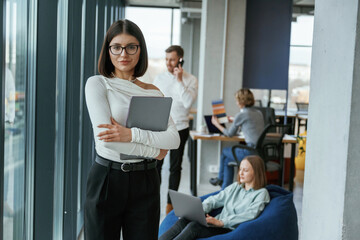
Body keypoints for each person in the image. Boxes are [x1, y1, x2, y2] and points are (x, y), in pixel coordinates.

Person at [84, 19, 180, 240]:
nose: (123, 54)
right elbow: (108, 140)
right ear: (108, 50)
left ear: (140, 50)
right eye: (116, 47)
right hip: (108, 178)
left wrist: (130, 134)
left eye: (131, 47)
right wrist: (155, 151)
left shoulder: (153, 91)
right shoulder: (98, 84)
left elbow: (173, 139)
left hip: (146, 180)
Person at [159, 155, 270, 240]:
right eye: (240, 169)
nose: (240, 173)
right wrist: (198, 210)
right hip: (216, 224)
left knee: (194, 227)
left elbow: (249, 215)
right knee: (185, 220)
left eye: (245, 170)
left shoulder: (261, 193)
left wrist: (221, 222)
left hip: (229, 229)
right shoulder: (236, 187)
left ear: (256, 173)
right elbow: (215, 200)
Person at [153, 45, 198, 214]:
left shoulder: (191, 79)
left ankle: (170, 205)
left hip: (181, 127)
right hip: (160, 127)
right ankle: (154, 200)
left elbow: (187, 103)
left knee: (175, 167)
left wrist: (179, 81)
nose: (168, 63)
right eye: (166, 59)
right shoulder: (159, 79)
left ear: (180, 59)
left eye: (171, 59)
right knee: (156, 165)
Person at [210, 89, 264, 189]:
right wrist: (235, 120)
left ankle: (220, 179)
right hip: (259, 151)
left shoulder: (242, 115)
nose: (236, 102)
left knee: (225, 151)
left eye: (237, 100)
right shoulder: (258, 113)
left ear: (241, 101)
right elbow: (250, 123)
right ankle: (225, 188)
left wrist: (217, 124)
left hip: (249, 152)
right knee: (227, 161)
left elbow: (229, 134)